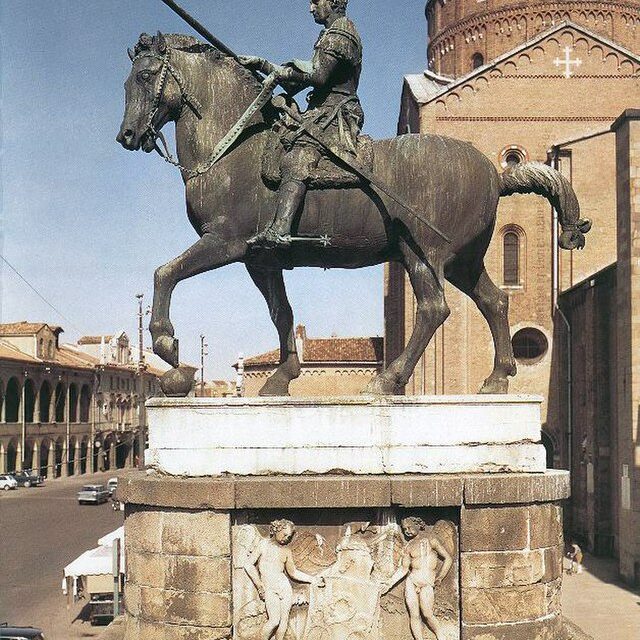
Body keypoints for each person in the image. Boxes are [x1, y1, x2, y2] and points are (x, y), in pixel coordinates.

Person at [239, 0, 363, 249]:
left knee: (299, 155)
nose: (311, 7)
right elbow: (298, 82)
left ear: (333, 1)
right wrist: (264, 66)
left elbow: (318, 76)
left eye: (316, 1)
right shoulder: (328, 34)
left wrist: (282, 73)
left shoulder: (342, 30)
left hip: (336, 114)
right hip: (321, 111)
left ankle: (280, 230)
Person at [242, 519, 325, 640]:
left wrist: (313, 579)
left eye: (289, 536)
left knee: (283, 621)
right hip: (269, 588)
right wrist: (259, 585)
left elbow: (293, 573)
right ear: (276, 529)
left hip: (284, 587)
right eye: (284, 534)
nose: (286, 538)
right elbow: (248, 565)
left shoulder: (286, 551)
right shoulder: (263, 545)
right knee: (274, 620)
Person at [384, 517, 453, 640]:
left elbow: (448, 558)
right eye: (404, 529)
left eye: (410, 527)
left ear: (418, 525)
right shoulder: (408, 547)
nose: (407, 531)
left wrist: (440, 577)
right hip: (412, 581)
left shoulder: (431, 540)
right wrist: (388, 583)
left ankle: (441, 637)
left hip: (427, 582)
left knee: (427, 613)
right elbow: (404, 569)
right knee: (414, 615)